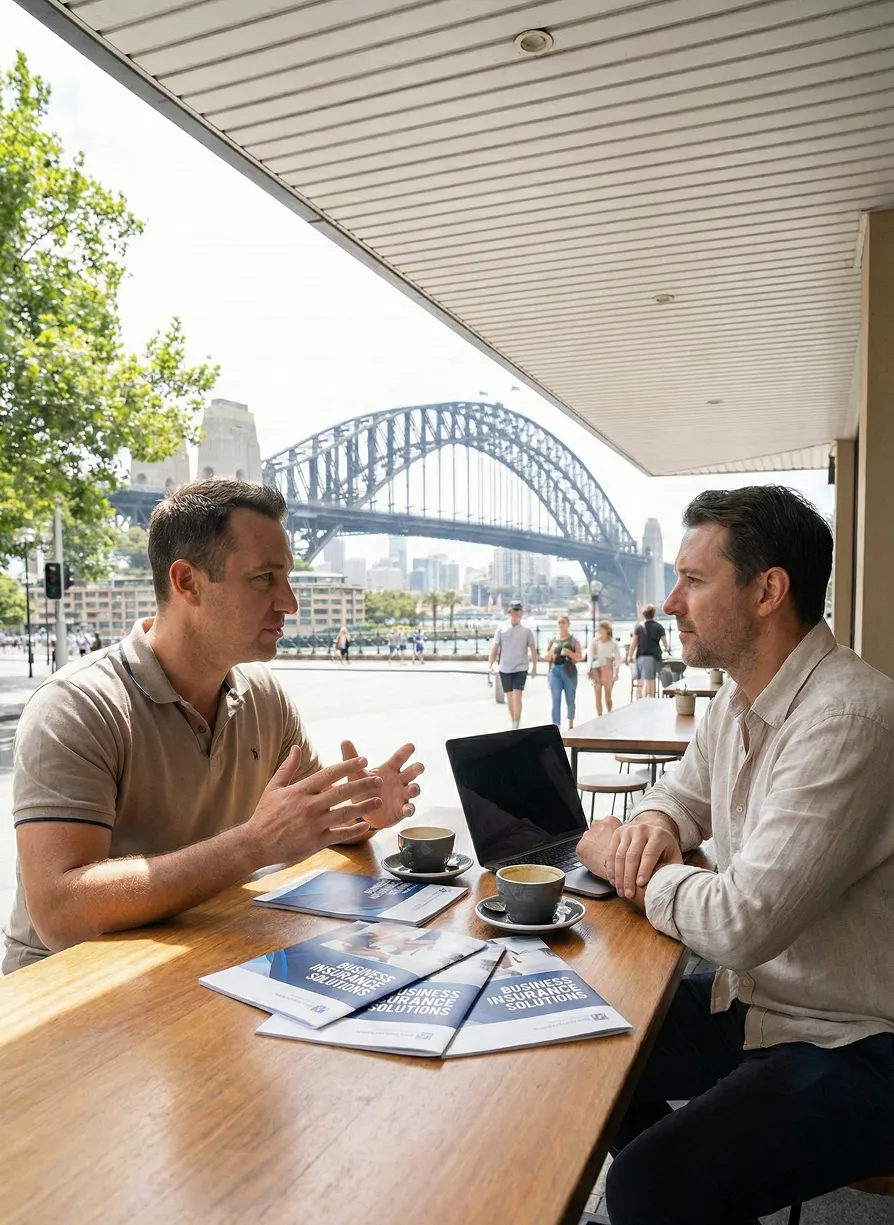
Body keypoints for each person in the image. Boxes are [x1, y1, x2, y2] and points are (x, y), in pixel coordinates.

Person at [576, 486, 894, 1224]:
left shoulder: (848, 719)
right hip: (757, 1001)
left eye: (692, 579)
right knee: (586, 1046)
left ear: (767, 591)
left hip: (854, 1041)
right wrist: (652, 820)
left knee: (648, 1184)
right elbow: (681, 797)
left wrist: (624, 859)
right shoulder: (738, 699)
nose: (670, 601)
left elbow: (743, 921)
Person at [3, 481, 423, 974]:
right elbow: (60, 913)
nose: (289, 603)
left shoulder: (264, 696)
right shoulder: (75, 707)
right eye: (264, 578)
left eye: (286, 578)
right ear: (188, 582)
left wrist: (362, 809)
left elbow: (307, 828)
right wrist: (254, 844)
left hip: (204, 962)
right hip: (70, 995)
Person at [488, 602, 537, 730]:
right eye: (513, 611)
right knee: (509, 696)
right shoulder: (502, 628)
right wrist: (491, 664)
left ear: (521, 612)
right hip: (505, 667)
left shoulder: (526, 630)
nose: (516, 613)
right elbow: (495, 646)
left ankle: (516, 724)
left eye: (518, 611)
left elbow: (532, 648)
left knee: (517, 694)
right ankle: (513, 722)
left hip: (521, 667)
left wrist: (534, 666)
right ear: (509, 612)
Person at [543, 615, 582, 729]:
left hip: (568, 670)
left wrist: (569, 653)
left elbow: (579, 657)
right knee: (555, 699)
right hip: (555, 670)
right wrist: (549, 654)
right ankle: (556, 725)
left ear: (568, 624)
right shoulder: (553, 640)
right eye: (559, 622)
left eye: (563, 622)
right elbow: (547, 655)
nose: (561, 625)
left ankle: (570, 723)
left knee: (570, 698)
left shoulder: (574, 640)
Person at [628, 603, 668, 698]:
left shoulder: (639, 627)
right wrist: (664, 649)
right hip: (652, 657)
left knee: (640, 682)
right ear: (654, 614)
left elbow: (633, 643)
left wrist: (629, 656)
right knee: (650, 681)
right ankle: (650, 700)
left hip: (640, 656)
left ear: (643, 614)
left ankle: (640, 700)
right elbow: (665, 643)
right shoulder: (659, 627)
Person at [587, 619, 621, 715]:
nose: (600, 632)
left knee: (608, 696)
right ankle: (599, 715)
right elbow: (590, 656)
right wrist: (589, 669)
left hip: (607, 668)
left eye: (602, 630)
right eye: (599, 630)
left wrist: (616, 672)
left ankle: (609, 712)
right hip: (596, 668)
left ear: (607, 630)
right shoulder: (595, 642)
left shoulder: (613, 643)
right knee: (597, 694)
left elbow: (617, 658)